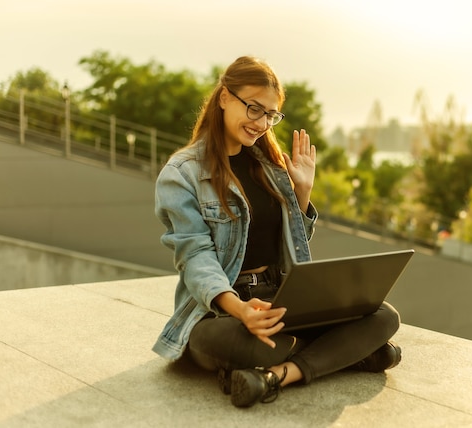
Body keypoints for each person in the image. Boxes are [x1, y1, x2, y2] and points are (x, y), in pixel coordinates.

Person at [152, 56, 402, 408]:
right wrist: (241, 311)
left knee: (384, 316)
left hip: (281, 297)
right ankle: (346, 355)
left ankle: (274, 376)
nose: (261, 123)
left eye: (270, 115)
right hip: (221, 312)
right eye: (254, 109)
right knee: (263, 342)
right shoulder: (182, 174)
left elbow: (286, 246)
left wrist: (301, 193)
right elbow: (195, 258)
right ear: (224, 97)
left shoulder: (269, 167)